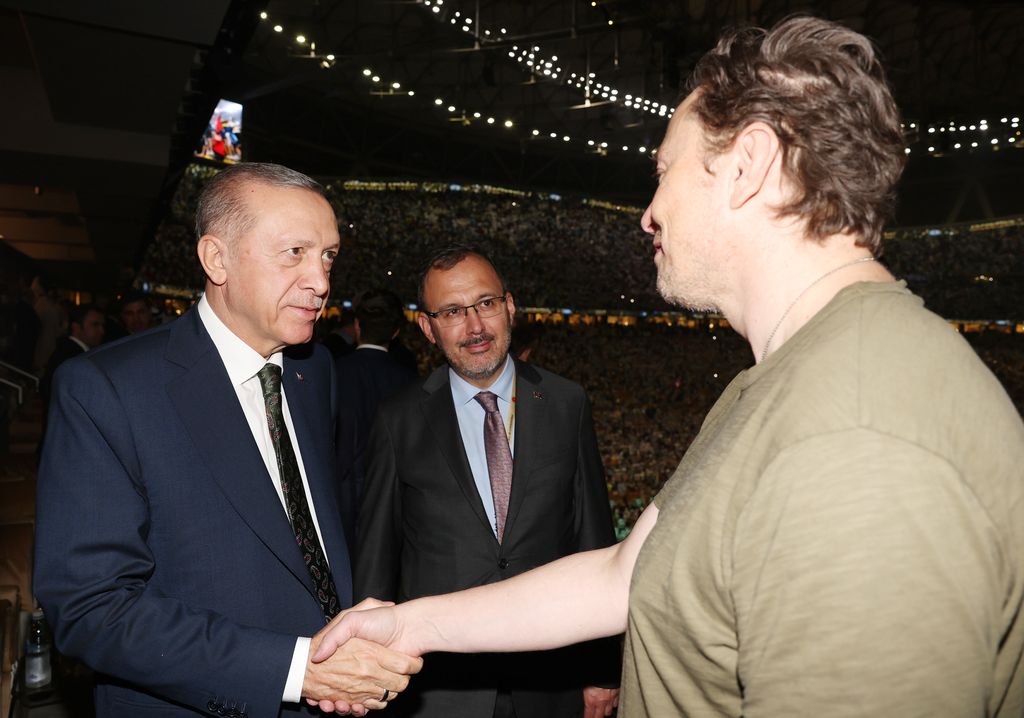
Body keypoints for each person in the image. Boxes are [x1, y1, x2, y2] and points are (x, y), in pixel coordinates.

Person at [314, 17, 1024, 717]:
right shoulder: (775, 384)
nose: (649, 213)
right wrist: (410, 625)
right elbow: (622, 576)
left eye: (663, 171)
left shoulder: (859, 436)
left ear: (748, 165)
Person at [34, 162, 421, 718]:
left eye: (328, 256)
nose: (321, 282)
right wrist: (294, 670)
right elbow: (92, 608)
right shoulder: (106, 389)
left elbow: (306, 533)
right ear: (216, 258)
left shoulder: (316, 372)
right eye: (294, 253)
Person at [353, 245, 620, 718]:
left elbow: (594, 542)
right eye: (453, 312)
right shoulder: (398, 419)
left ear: (510, 307)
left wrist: (602, 670)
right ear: (427, 328)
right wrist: (371, 665)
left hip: (550, 680)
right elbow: (377, 557)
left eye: (486, 304)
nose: (475, 326)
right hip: (437, 691)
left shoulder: (566, 403)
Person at [335, 288, 418, 554]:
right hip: (393, 503)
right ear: (395, 333)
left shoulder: (333, 372)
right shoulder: (410, 382)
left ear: (358, 326)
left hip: (342, 502)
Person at [37, 303, 105, 455]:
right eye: (95, 325)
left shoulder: (71, 354)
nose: (101, 331)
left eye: (102, 325)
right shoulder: (73, 357)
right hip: (67, 445)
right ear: (76, 327)